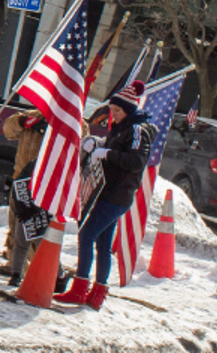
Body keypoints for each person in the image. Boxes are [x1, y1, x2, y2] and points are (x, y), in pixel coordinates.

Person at [55, 79, 157, 310]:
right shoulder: (121, 129)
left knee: (87, 235)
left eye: (118, 110)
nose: (114, 114)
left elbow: (136, 161)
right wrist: (99, 142)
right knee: (102, 243)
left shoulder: (137, 130)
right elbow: (119, 149)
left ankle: (81, 289)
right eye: (112, 110)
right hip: (106, 191)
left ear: (129, 110)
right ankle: (97, 292)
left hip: (117, 196)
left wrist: (106, 153)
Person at [0, 109, 48, 284]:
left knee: (36, 229)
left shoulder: (69, 118)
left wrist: (52, 129)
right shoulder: (31, 115)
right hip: (20, 179)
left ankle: (35, 270)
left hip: (44, 185)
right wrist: (22, 122)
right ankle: (14, 264)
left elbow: (79, 136)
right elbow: (8, 130)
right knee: (15, 223)